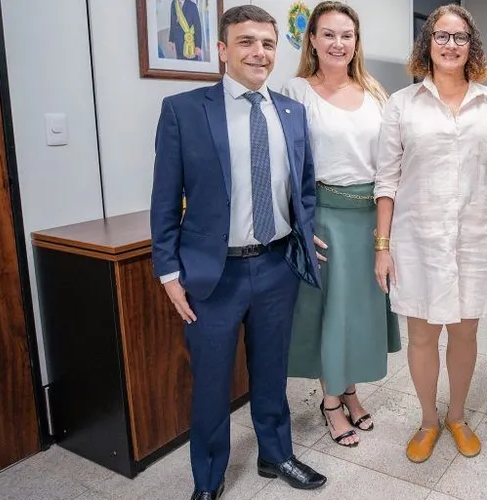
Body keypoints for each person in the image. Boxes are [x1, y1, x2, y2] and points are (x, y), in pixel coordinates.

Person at [150, 5, 328, 499]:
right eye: (247, 42)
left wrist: (302, 227)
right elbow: (164, 198)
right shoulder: (184, 110)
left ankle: (276, 455)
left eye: (268, 44)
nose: (259, 52)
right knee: (211, 384)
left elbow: (303, 184)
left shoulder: (290, 112)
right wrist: (167, 271)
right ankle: (207, 480)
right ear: (223, 50)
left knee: (271, 372)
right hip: (212, 276)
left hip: (275, 267)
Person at [373, 4, 487, 464]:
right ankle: (428, 421)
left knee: (465, 332)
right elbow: (386, 180)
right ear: (427, 44)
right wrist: (383, 246)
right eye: (441, 36)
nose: (450, 45)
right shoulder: (401, 104)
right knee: (421, 335)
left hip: (475, 236)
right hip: (416, 239)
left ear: (471, 45)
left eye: (459, 37)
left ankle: (457, 415)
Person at [280, 0, 401, 448]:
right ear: (312, 39)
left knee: (361, 313)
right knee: (333, 312)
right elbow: (286, 166)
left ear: (356, 42)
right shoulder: (296, 92)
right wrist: (299, 223)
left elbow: (390, 161)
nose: (337, 43)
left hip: (369, 218)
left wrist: (389, 228)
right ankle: (330, 402)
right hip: (325, 218)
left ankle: (349, 390)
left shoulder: (374, 90)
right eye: (328, 34)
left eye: (346, 35)